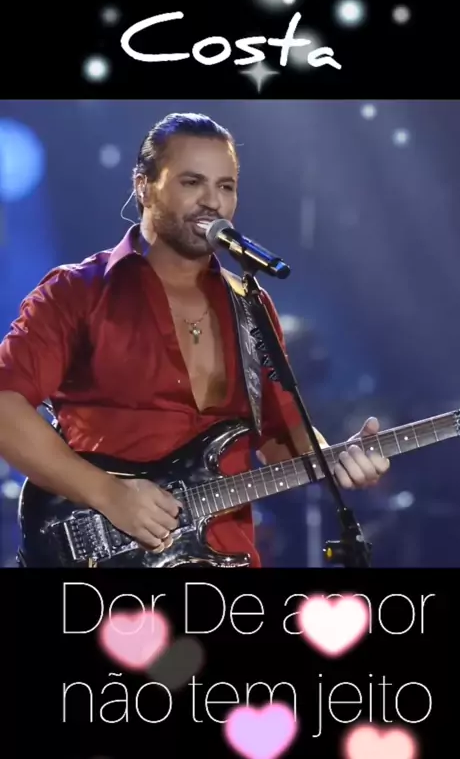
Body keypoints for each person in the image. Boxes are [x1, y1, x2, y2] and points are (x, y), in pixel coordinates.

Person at [0, 112, 390, 567]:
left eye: (226, 186)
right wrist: (109, 494)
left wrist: (335, 460)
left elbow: (282, 434)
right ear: (144, 186)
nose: (213, 201)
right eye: (192, 182)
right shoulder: (76, 292)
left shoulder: (250, 304)